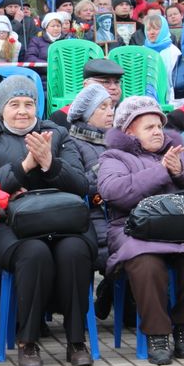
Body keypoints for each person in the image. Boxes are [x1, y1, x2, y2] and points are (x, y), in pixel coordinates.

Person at [0, 76, 96, 366]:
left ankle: (76, 340)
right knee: (34, 253)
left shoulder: (58, 135)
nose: (23, 111)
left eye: (29, 104)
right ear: (1, 109)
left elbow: (81, 185)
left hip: (62, 220)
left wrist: (50, 162)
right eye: (14, 104)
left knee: (74, 251)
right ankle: (28, 342)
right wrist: (25, 166)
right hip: (7, 225)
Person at [97, 96, 184, 365]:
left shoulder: (178, 153)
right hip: (134, 230)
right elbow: (114, 192)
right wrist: (162, 172)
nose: (157, 132)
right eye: (148, 127)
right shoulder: (114, 156)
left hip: (182, 229)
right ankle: (157, 333)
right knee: (146, 263)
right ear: (129, 131)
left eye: (159, 126)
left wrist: (182, 171)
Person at [66, 84, 116, 274]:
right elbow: (78, 183)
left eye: (111, 106)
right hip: (94, 218)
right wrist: (108, 166)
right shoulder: (72, 142)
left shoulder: (116, 140)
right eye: (102, 107)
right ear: (86, 114)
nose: (110, 112)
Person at [49, 59, 124, 127]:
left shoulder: (126, 114)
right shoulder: (61, 118)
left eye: (117, 82)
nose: (114, 87)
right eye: (105, 82)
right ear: (86, 85)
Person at [143, 14, 182, 106]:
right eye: (148, 29)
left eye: (156, 29)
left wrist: (172, 107)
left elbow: (177, 84)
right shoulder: (141, 51)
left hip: (168, 103)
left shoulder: (174, 52)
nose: (152, 32)